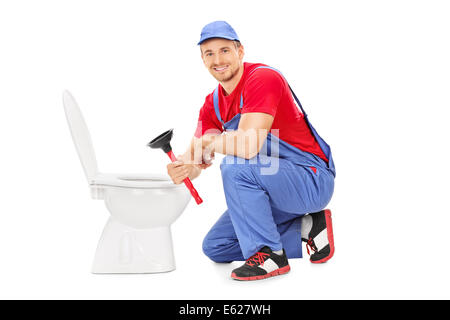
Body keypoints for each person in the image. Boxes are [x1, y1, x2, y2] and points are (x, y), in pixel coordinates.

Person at [167, 21, 336, 281]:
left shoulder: (263, 79)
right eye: (209, 53)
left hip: (309, 179)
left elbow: (247, 146)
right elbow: (195, 158)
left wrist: (209, 142)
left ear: (240, 51)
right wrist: (185, 168)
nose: (217, 59)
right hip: (271, 186)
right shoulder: (212, 104)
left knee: (235, 165)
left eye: (224, 50)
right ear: (202, 59)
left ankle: (269, 255)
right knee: (216, 245)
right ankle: (308, 227)